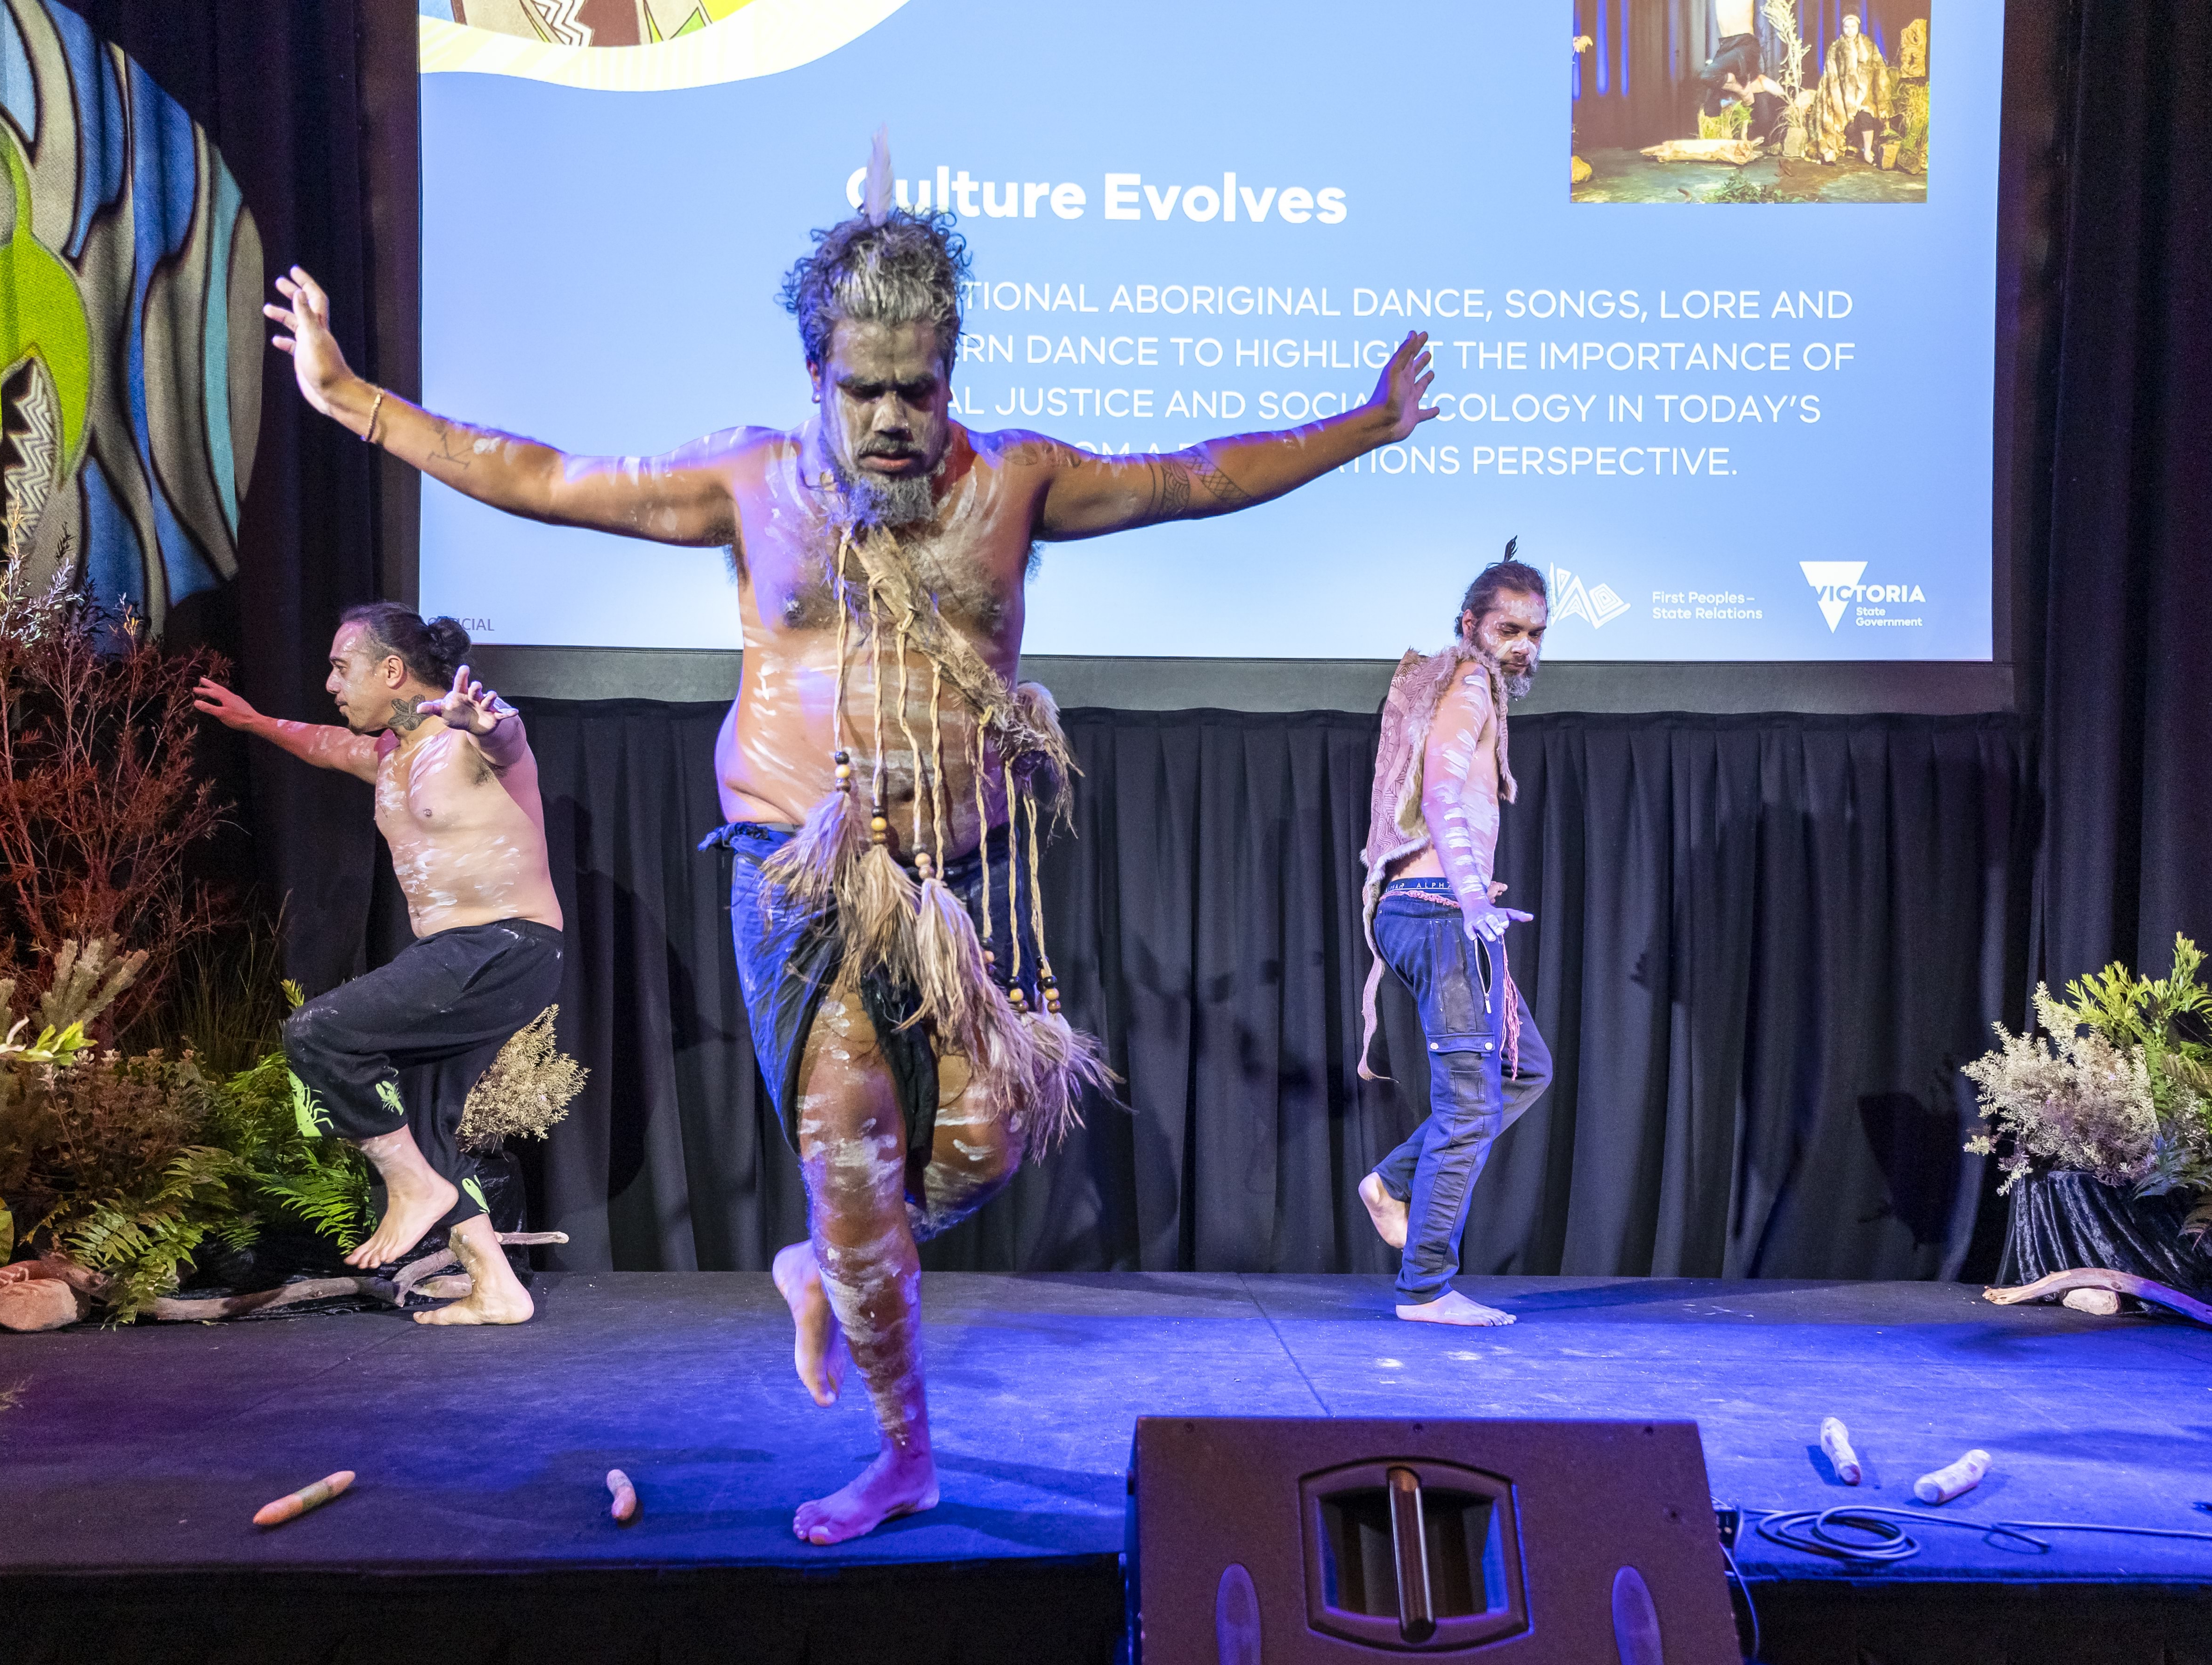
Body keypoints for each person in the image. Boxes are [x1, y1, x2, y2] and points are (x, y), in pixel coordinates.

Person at [261, 152, 1438, 1541]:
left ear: (952, 372)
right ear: (815, 370)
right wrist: (354, 400)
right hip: (799, 877)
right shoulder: (752, 486)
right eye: (860, 387)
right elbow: (545, 473)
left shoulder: (1013, 486)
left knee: (991, 1137)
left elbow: (1192, 479)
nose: (890, 419)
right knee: (862, 1164)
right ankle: (903, 1450)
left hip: (962, 881)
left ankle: (823, 1263)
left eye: (918, 389)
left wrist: (1362, 427)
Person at [193, 606, 564, 1326]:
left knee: (319, 1032)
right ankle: (496, 1284)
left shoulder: (467, 740)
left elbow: (508, 739)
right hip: (457, 956)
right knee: (423, 1123)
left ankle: (413, 1187)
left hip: (504, 945)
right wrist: (254, 722)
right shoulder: (391, 756)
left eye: (341, 666)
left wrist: (487, 721)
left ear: (392, 670)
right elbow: (325, 742)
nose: (331, 682)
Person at [1356, 543, 1554, 1328]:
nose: (1523, 648)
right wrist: (1469, 894)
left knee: (1521, 1069)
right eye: (1509, 629)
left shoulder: (1471, 687)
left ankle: (1390, 1182)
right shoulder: (1468, 681)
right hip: (1438, 911)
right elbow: (1439, 790)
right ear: (1471, 624)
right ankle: (1425, 1288)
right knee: (1468, 1105)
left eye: (1535, 634)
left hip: (1438, 908)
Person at [1816, 12, 1891, 165]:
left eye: (1853, 26)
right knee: (1835, 119)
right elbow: (1831, 73)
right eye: (1846, 27)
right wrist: (1836, 96)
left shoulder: (1869, 45)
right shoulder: (1836, 48)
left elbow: (1879, 70)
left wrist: (1879, 97)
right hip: (1843, 95)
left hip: (1865, 95)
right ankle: (1833, 147)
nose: (1850, 30)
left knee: (1866, 116)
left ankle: (1867, 152)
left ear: (1858, 27)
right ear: (1842, 28)